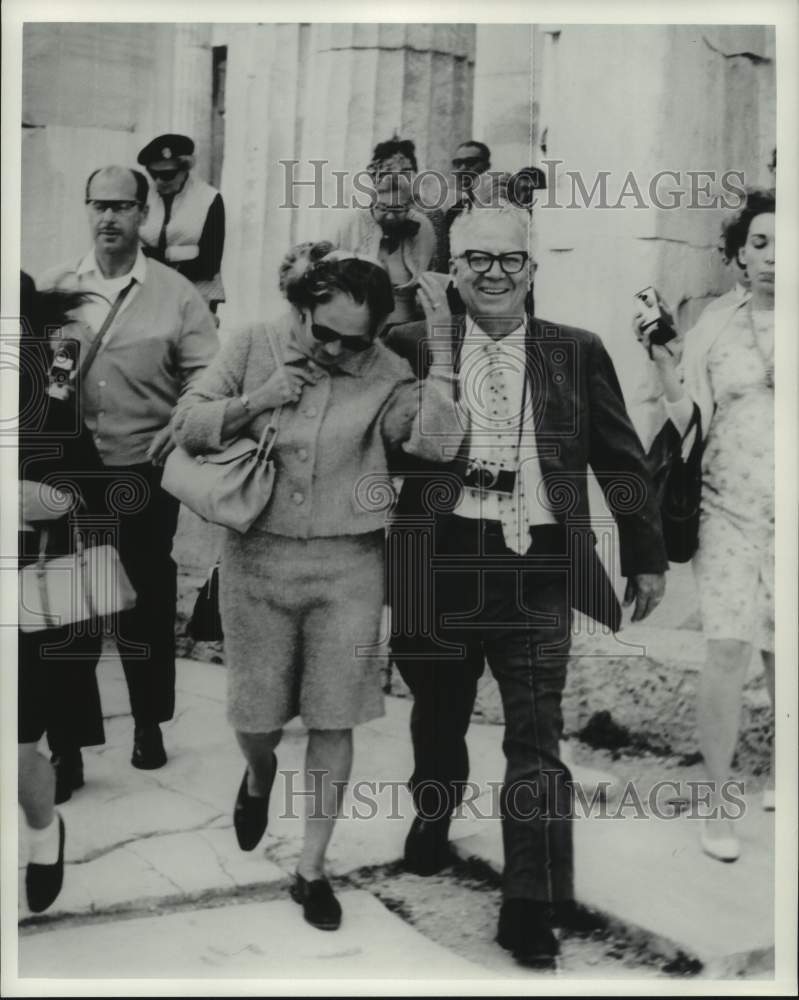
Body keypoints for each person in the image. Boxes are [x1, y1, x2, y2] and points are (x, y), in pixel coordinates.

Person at [385, 204, 668, 967]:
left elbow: (620, 458)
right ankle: (432, 813)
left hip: (536, 564)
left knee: (535, 741)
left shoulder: (575, 353)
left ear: (533, 270)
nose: (493, 273)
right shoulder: (409, 346)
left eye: (510, 260)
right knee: (438, 717)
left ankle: (529, 902)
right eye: (476, 258)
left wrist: (646, 555)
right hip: (435, 564)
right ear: (454, 269)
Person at [173, 244, 461, 931]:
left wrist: (442, 355)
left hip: (348, 568)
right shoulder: (251, 344)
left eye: (350, 340)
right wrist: (257, 400)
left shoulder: (387, 370)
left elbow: (437, 442)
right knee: (254, 718)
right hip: (257, 562)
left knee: (334, 718)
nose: (334, 349)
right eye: (320, 330)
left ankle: (312, 868)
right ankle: (257, 774)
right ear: (299, 307)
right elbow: (185, 425)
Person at [37, 165, 219, 770]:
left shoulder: (176, 292)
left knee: (142, 600)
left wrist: (182, 420)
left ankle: (148, 724)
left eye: (122, 206)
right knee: (71, 608)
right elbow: (41, 378)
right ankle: (68, 746)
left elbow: (205, 374)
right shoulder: (57, 287)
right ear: (86, 210)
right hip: (69, 472)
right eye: (99, 205)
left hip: (142, 469)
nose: (109, 217)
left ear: (144, 214)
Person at [635, 188, 775, 862]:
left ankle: (783, 776)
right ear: (738, 256)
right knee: (727, 652)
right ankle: (717, 801)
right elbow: (690, 423)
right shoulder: (716, 325)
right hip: (728, 513)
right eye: (760, 244)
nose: (775, 258)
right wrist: (664, 364)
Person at [18, 273, 115, 912]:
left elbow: (90, 488)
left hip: (26, 588)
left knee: (18, 748)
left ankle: (44, 831)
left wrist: (45, 498)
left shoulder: (47, 395)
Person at [334, 172, 437, 328]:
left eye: (397, 210)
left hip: (407, 326)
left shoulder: (423, 227)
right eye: (382, 208)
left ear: (409, 207)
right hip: (358, 325)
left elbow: (431, 277)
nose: (390, 217)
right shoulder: (351, 225)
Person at [137, 133, 226, 313]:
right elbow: (131, 250)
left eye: (167, 175)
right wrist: (187, 251)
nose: (159, 181)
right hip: (148, 292)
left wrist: (158, 254)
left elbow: (209, 264)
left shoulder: (209, 199)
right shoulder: (141, 196)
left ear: (185, 168)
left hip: (196, 295)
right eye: (153, 174)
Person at [366, 136, 449, 272]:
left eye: (406, 171)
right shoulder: (366, 213)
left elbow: (438, 264)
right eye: (389, 171)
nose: (399, 177)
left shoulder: (430, 213)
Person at [444, 139, 492, 231]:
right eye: (458, 163)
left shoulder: (500, 208)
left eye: (470, 162)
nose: (462, 169)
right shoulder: (453, 213)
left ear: (486, 167)